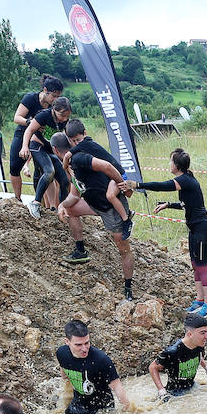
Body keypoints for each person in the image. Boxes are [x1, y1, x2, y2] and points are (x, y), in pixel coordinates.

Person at [131, 147, 207, 314]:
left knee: (202, 266)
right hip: (195, 229)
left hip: (202, 229)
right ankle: (199, 300)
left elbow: (162, 186)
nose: (169, 164)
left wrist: (138, 185)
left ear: (177, 165)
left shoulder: (185, 180)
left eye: (171, 161)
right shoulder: (187, 179)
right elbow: (188, 204)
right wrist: (168, 205)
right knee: (195, 265)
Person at [59, 119, 136, 299]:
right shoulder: (72, 167)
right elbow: (74, 195)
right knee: (71, 210)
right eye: (74, 141)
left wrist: (123, 185)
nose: (76, 143)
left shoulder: (79, 157)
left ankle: (128, 288)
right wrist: (62, 205)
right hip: (94, 204)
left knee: (123, 248)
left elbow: (107, 166)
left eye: (78, 140)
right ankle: (80, 250)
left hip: (111, 207)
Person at [56, 319, 131, 414]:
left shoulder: (101, 359)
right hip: (79, 403)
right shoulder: (62, 353)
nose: (84, 348)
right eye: (78, 345)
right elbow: (64, 374)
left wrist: (128, 410)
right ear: (67, 341)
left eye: (87, 343)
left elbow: (117, 386)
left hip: (102, 409)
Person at [7, 75, 62, 204]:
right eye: (53, 96)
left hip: (41, 139)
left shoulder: (53, 107)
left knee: (46, 171)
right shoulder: (30, 98)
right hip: (23, 133)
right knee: (15, 166)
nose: (55, 100)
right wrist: (31, 122)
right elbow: (17, 117)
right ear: (45, 90)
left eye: (58, 97)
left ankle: (46, 204)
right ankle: (17, 199)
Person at [19, 96, 73, 215]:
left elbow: (67, 138)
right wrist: (24, 147)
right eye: (62, 115)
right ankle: (36, 202)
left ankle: (62, 208)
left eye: (67, 117)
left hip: (51, 150)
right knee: (49, 172)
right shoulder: (43, 115)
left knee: (64, 180)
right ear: (54, 109)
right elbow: (29, 130)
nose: (64, 119)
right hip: (37, 146)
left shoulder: (64, 121)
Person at [150, 312, 207, 400]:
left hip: (192, 385)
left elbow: (199, 355)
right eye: (203, 333)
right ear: (190, 334)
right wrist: (161, 391)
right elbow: (152, 367)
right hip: (175, 393)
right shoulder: (173, 351)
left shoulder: (199, 344)